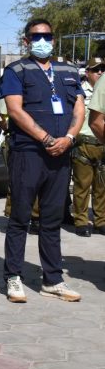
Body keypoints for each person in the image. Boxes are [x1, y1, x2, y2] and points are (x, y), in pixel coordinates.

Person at [0, 18, 84, 303]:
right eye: (36, 36)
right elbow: (15, 110)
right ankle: (13, 276)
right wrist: (47, 139)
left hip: (62, 154)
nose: (42, 40)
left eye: (47, 36)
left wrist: (69, 138)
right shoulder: (16, 70)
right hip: (29, 153)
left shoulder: (69, 70)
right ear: (26, 40)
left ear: (54, 38)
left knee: (51, 219)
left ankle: (53, 279)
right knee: (20, 217)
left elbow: (79, 108)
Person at [73, 57, 105, 236]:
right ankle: (81, 221)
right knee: (82, 186)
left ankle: (100, 220)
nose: (100, 72)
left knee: (101, 187)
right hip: (84, 143)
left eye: (102, 69)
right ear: (87, 73)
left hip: (102, 141)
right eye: (95, 70)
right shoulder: (80, 91)